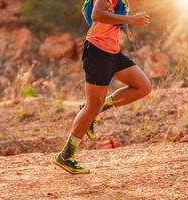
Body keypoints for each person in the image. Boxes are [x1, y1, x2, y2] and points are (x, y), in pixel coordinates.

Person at [54, 0, 151, 174]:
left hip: (113, 52)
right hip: (98, 51)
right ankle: (66, 156)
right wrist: (131, 20)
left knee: (143, 86)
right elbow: (96, 14)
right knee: (93, 106)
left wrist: (127, 27)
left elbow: (116, 15)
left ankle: (94, 109)